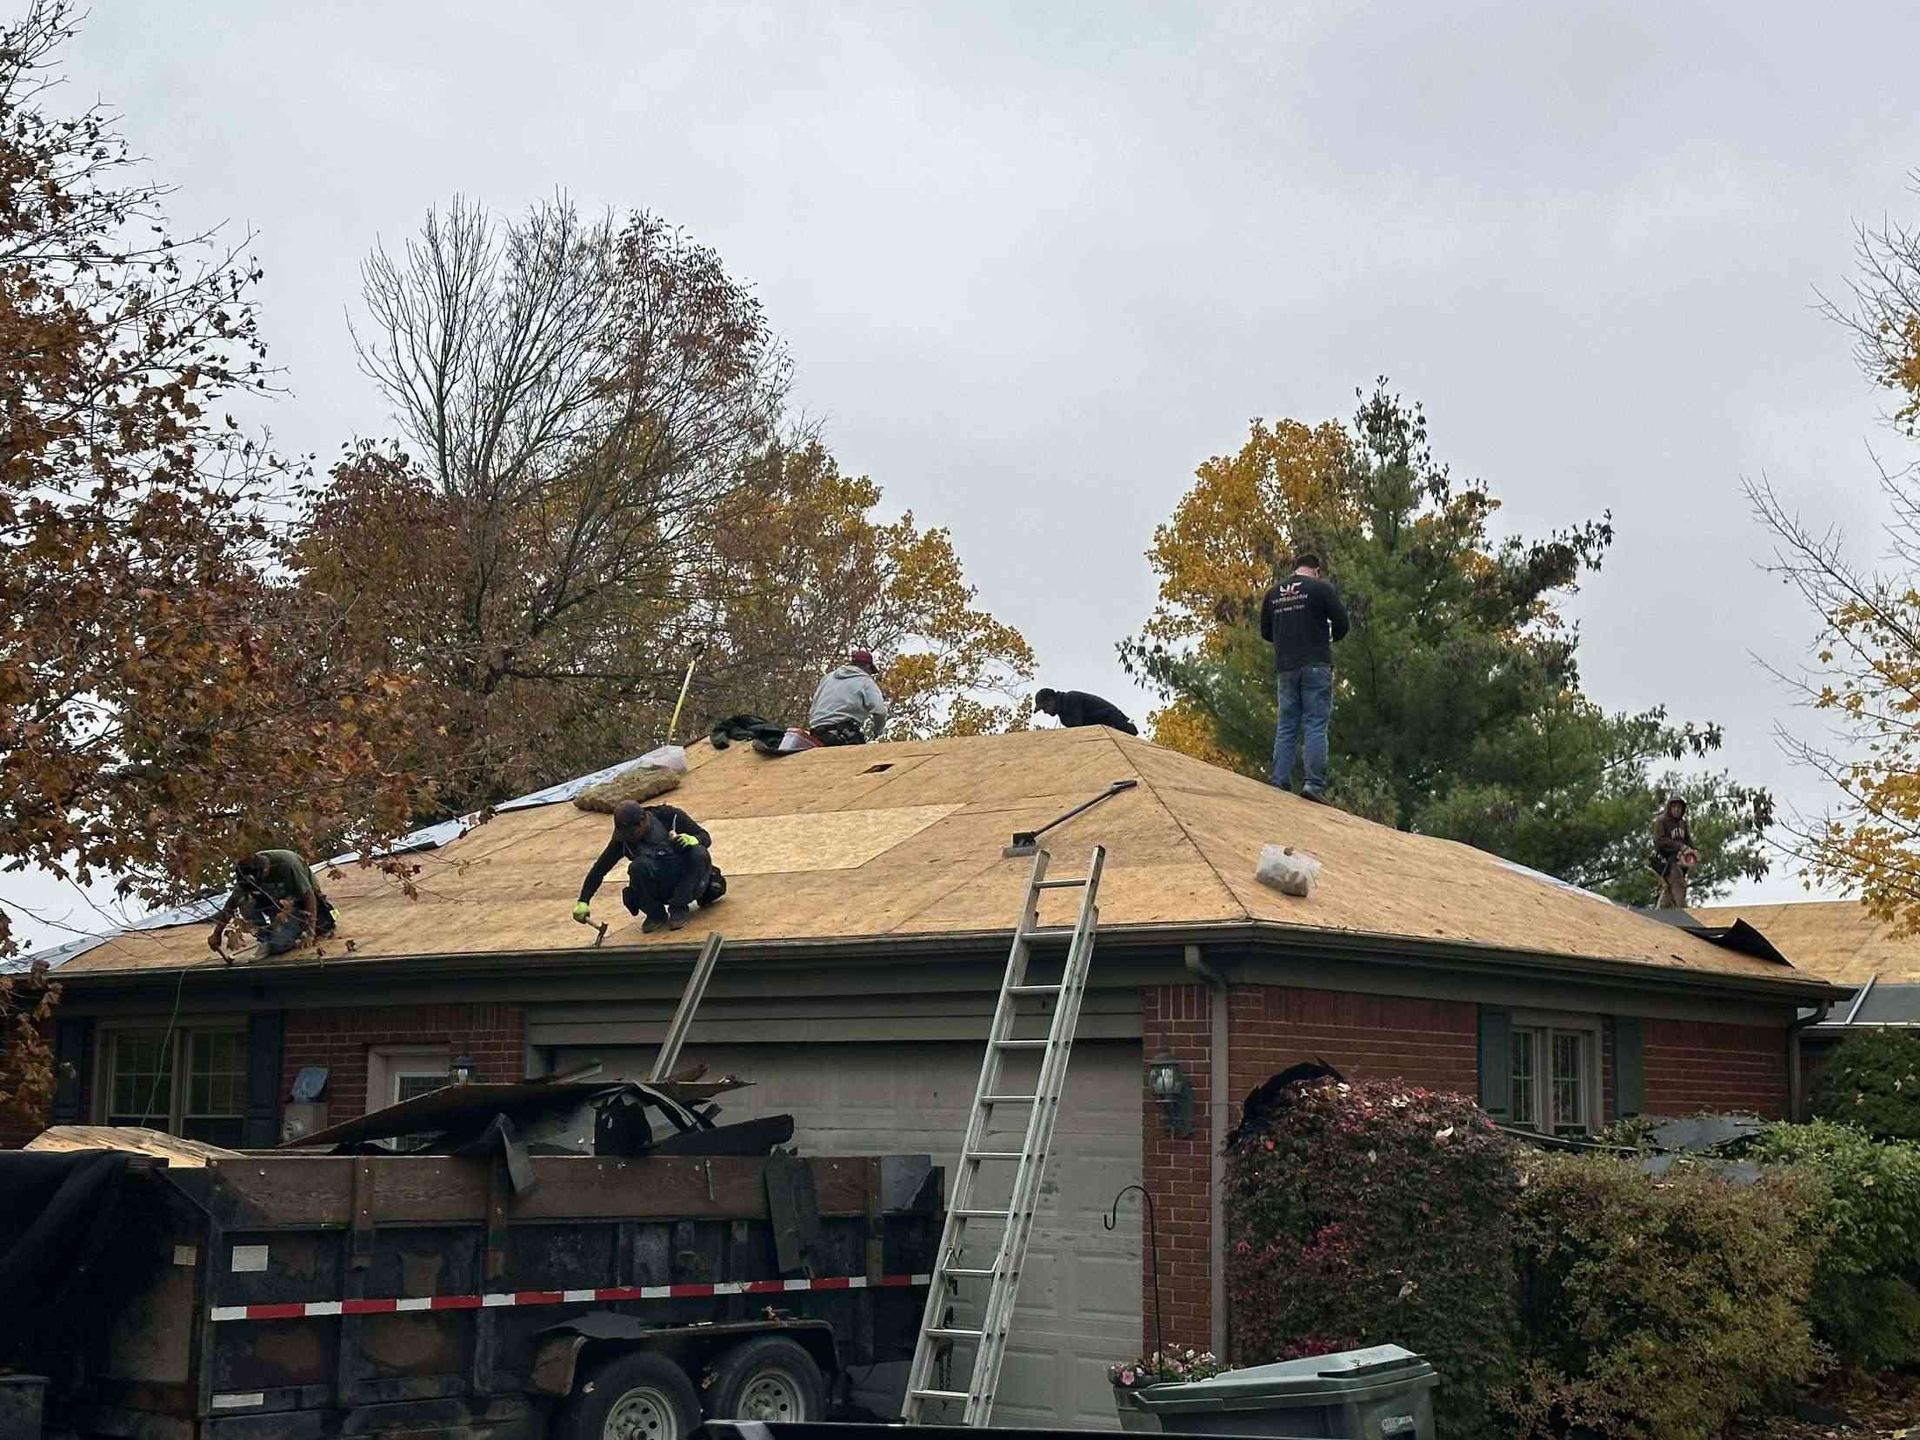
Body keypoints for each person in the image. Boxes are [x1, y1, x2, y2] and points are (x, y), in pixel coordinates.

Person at [1260, 551, 1350, 801]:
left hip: (1286, 667)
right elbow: (1342, 623)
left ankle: (1279, 781)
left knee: (1286, 725)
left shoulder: (1274, 593)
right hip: (1315, 665)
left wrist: (1285, 638)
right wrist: (1330, 637)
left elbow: (1266, 632)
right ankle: (1313, 784)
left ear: (1295, 568)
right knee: (1315, 723)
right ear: (1316, 570)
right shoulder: (1320, 589)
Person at [574, 799, 725, 934]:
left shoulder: (668, 816)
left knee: (698, 853)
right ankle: (655, 914)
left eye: (632, 832)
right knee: (637, 867)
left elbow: (705, 837)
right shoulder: (623, 840)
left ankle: (679, 907)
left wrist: (694, 839)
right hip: (659, 885)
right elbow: (599, 869)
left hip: (686, 880)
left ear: (643, 820)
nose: (630, 837)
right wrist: (583, 901)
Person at [207, 849, 337, 957]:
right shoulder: (247, 869)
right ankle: (266, 937)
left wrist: (310, 931)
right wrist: (217, 933)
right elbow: (232, 903)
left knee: (278, 945)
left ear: (265, 872)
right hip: (275, 904)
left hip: (298, 906)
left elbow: (309, 897)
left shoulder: (288, 864)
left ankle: (279, 939)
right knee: (244, 901)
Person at [806, 648, 889, 746]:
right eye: (871, 671)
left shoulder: (827, 678)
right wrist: (877, 731)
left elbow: (813, 708)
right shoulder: (865, 681)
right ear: (868, 667)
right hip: (842, 734)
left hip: (816, 735)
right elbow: (880, 711)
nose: (870, 674)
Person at [1651, 795, 1699, 909]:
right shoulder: (1661, 821)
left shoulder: (1682, 824)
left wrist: (1694, 851)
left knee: (1668, 890)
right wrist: (1679, 847)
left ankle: (1659, 914)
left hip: (1681, 863)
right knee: (1679, 886)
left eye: (1679, 807)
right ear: (1670, 808)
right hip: (1666, 861)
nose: (1677, 809)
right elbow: (1660, 841)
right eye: (1674, 807)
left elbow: (1688, 840)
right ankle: (1684, 914)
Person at [1034, 687, 1138, 735]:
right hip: (1104, 729)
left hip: (1114, 721)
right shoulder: (1063, 716)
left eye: (1045, 707)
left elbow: (1079, 731)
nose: (1045, 712)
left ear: (1051, 700)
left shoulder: (1070, 699)